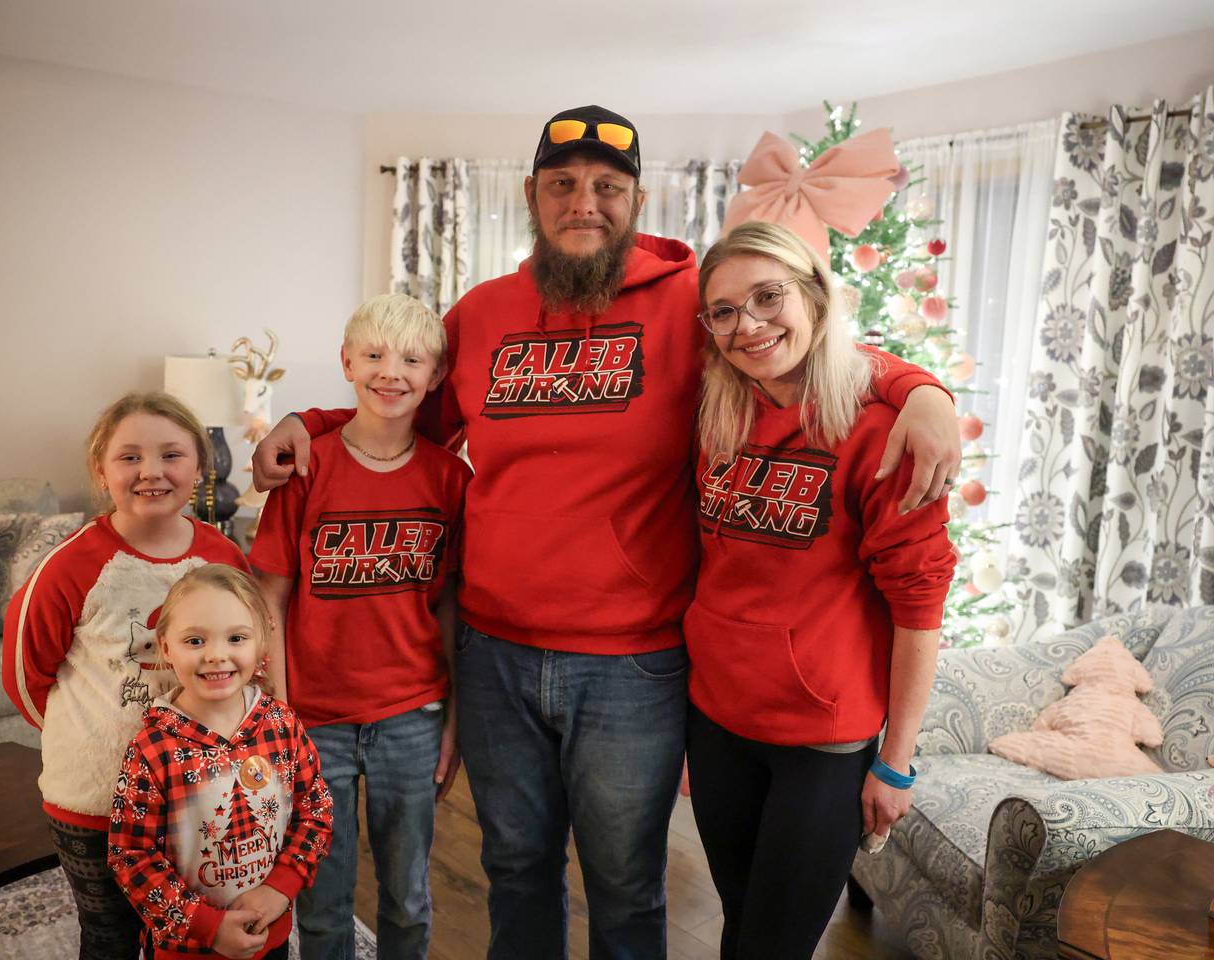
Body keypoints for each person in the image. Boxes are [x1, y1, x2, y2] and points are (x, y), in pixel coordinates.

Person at [252, 105, 961, 960]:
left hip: (634, 663)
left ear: (634, 197)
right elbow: (400, 411)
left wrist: (921, 389)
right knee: (514, 866)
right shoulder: (480, 315)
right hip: (494, 652)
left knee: (626, 881)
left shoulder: (690, 304)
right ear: (532, 197)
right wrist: (308, 419)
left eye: (606, 186)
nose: (583, 201)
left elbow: (795, 342)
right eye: (562, 184)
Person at [684, 221, 955, 960]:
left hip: (823, 744)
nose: (750, 325)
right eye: (726, 311)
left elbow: (919, 605)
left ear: (814, 297)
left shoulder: (879, 430)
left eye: (769, 296)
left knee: (773, 946)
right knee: (741, 925)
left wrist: (896, 760)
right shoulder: (717, 412)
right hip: (716, 723)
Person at [247, 293, 472, 960]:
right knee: (322, 898)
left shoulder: (448, 479)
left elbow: (451, 604)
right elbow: (270, 598)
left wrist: (454, 715)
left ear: (435, 376)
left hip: (412, 713)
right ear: (347, 362)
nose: (391, 372)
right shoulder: (307, 468)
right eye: (373, 355)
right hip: (315, 721)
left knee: (407, 897)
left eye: (411, 359)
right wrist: (280, 717)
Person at [2, 392, 252, 960]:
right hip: (96, 801)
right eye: (130, 457)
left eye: (171, 455)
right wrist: (89, 733)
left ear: (198, 466)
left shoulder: (223, 557)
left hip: (198, 796)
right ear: (101, 470)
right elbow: (25, 677)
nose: (152, 472)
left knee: (192, 934)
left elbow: (245, 656)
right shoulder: (69, 566)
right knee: (112, 937)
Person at [108, 563, 333, 960]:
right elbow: (131, 855)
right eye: (195, 641)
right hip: (187, 949)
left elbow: (316, 811)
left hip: (269, 937)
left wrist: (280, 887)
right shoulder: (152, 748)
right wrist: (206, 926)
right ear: (165, 647)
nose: (216, 655)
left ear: (261, 642)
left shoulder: (281, 724)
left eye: (236, 638)